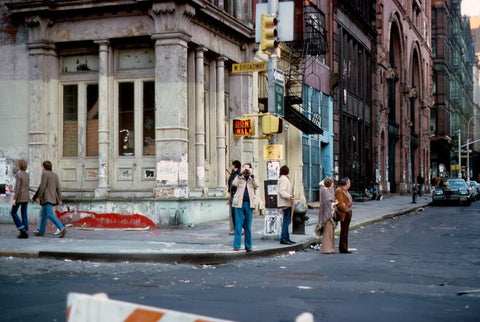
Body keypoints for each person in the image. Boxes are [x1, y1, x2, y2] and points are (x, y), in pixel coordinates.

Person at [32, 161, 67, 238]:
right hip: (52, 197)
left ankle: (61, 227)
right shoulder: (55, 175)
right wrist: (60, 199)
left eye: (42, 166)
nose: (41, 168)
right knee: (43, 214)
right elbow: (58, 188)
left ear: (44, 167)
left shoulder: (44, 174)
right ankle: (41, 231)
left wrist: (39, 197)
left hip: (46, 197)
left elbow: (42, 186)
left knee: (49, 214)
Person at [231, 163, 260, 252]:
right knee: (238, 225)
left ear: (251, 169)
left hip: (249, 203)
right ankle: (237, 246)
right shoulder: (240, 177)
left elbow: (257, 185)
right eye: (245, 168)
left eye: (248, 168)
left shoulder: (252, 178)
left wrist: (252, 176)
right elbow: (234, 184)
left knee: (248, 226)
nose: (246, 170)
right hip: (239, 203)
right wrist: (240, 175)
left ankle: (248, 246)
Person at [10, 159, 30, 239]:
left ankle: (21, 228)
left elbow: (17, 187)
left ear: (19, 166)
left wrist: (14, 198)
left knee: (13, 212)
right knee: (24, 214)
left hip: (20, 196)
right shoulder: (27, 174)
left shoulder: (19, 175)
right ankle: (26, 231)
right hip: (26, 196)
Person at [318, 178, 338, 254]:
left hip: (328, 213)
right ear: (330, 184)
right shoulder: (325, 191)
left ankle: (330, 248)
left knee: (330, 232)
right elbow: (328, 202)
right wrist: (335, 203)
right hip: (328, 214)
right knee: (327, 232)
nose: (333, 185)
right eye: (332, 183)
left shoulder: (325, 190)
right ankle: (327, 249)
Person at [277, 165, 295, 245]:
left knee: (286, 220)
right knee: (286, 221)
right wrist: (289, 196)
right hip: (286, 202)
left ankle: (286, 237)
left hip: (286, 202)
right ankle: (284, 238)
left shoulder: (283, 178)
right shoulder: (284, 179)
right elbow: (282, 191)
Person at [335, 177, 353, 253]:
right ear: (347, 183)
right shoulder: (339, 190)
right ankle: (343, 248)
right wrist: (347, 209)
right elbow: (340, 204)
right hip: (343, 213)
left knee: (345, 231)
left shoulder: (345, 190)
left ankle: (344, 248)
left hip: (347, 213)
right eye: (349, 182)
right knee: (344, 231)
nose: (350, 184)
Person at [227, 160, 242, 235]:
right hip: (232, 196)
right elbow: (229, 186)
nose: (231, 166)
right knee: (232, 213)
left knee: (237, 213)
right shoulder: (232, 174)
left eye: (232, 165)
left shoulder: (239, 175)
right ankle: (233, 229)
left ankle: (239, 229)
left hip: (237, 196)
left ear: (235, 165)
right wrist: (228, 197)